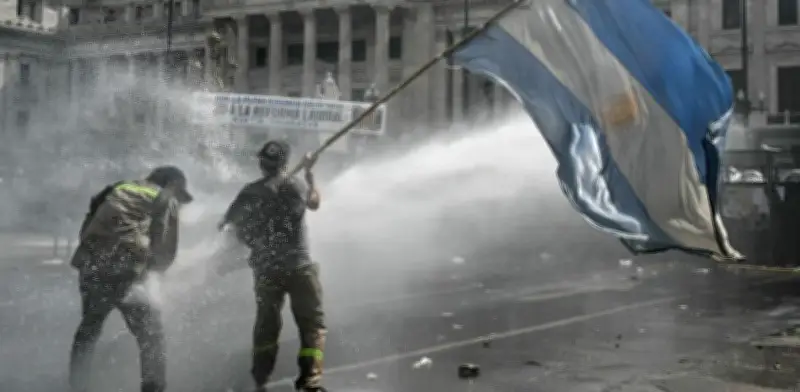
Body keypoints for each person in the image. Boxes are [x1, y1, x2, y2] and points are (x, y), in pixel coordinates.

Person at [68, 166, 194, 392]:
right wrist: (153, 274)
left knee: (89, 329)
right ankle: (153, 389)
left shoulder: (117, 188)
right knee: (151, 335)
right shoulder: (164, 197)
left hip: (91, 264)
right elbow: (165, 249)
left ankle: (77, 385)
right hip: (126, 270)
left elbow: (88, 224)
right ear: (172, 184)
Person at [217, 140, 326, 392]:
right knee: (312, 325)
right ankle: (310, 382)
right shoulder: (295, 185)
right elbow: (314, 202)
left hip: (266, 270)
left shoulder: (250, 192)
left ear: (262, 164)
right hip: (299, 268)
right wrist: (309, 175)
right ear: (284, 162)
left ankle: (260, 380)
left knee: (266, 326)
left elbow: (227, 225)